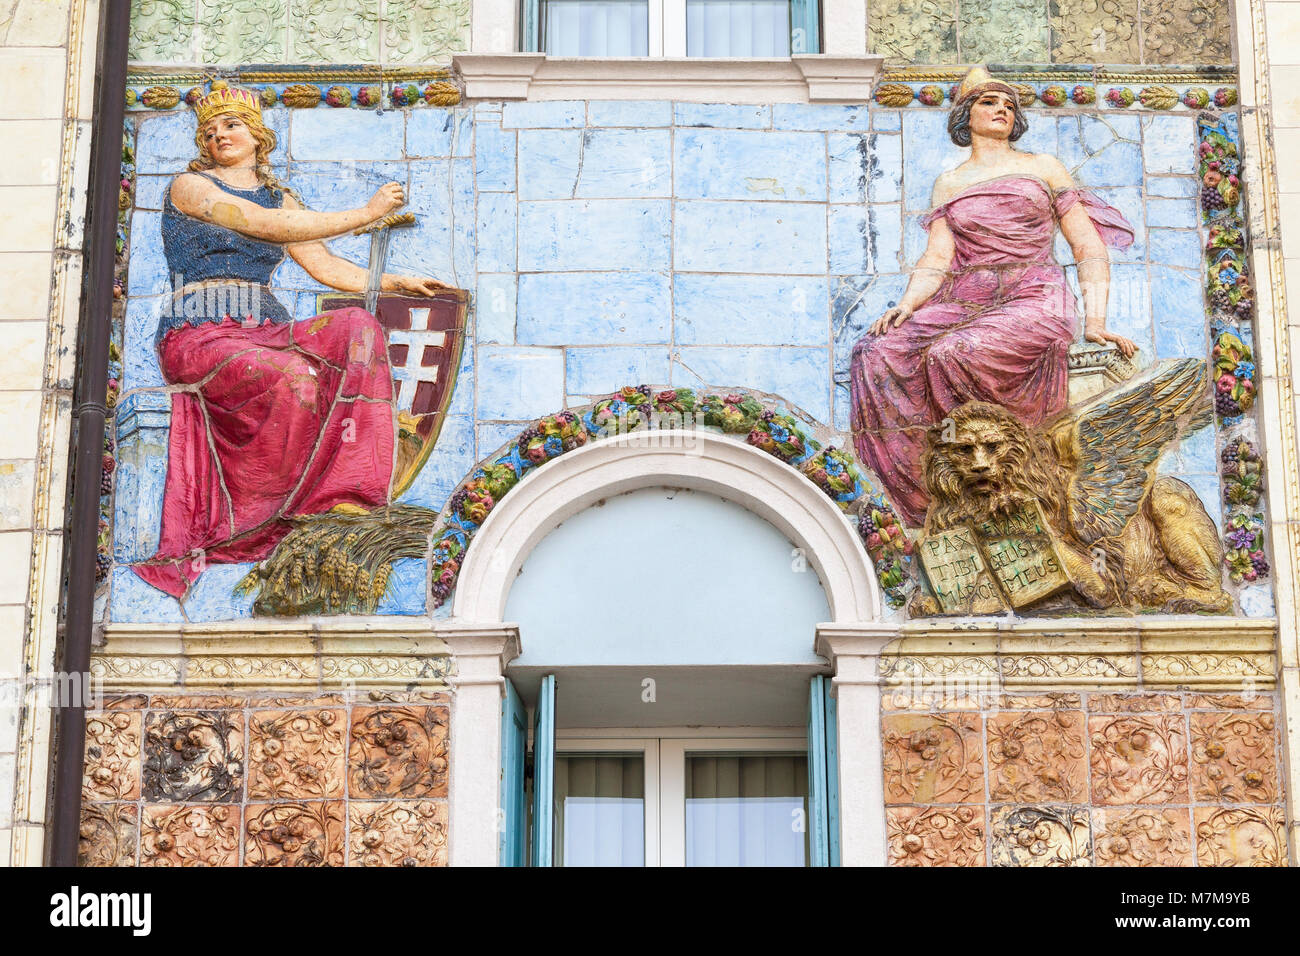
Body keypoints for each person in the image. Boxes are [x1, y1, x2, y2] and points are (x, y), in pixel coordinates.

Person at [132, 84, 447, 599]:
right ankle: (264, 519)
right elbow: (256, 223)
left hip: (265, 330)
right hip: (201, 333)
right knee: (293, 378)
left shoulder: (283, 199)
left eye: (230, 125)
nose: (219, 136)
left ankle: (346, 493)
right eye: (209, 132)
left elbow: (324, 267)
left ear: (256, 135)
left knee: (357, 329)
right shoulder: (190, 187)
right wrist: (364, 215)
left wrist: (393, 282)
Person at [848, 67, 1138, 527]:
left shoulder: (1042, 167)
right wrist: (908, 304)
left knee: (952, 353)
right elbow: (938, 257)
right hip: (964, 298)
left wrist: (1095, 322)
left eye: (1009, 104)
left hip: (1033, 293)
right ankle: (921, 498)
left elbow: (1088, 245)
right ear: (967, 115)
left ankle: (997, 479)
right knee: (874, 351)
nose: (1002, 108)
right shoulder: (949, 182)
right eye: (989, 102)